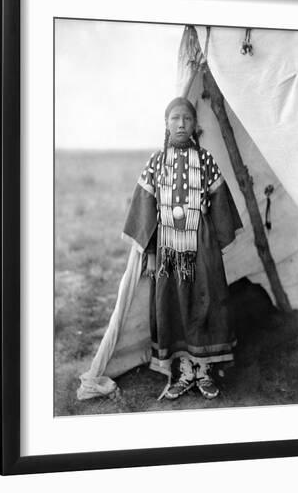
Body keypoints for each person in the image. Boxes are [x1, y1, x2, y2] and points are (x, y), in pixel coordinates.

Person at [122, 97, 242, 400]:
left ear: (194, 126)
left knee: (206, 300)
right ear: (166, 123)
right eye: (174, 118)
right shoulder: (155, 162)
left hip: (201, 244)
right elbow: (145, 209)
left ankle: (205, 371)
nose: (180, 124)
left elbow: (221, 206)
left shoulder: (206, 161)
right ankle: (185, 370)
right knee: (172, 303)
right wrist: (150, 253)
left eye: (187, 119)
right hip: (166, 247)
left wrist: (215, 246)